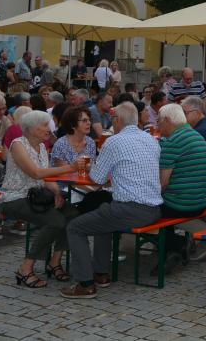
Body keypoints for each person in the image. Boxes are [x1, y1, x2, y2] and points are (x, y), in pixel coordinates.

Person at [61, 103, 161, 298]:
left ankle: (85, 283)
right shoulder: (151, 140)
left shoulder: (114, 142)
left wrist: (91, 168)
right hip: (154, 208)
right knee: (103, 215)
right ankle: (101, 273)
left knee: (75, 227)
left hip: (131, 210)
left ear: (117, 121)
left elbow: (97, 179)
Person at [0, 111, 81, 287]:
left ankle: (54, 262)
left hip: (37, 197)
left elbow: (44, 179)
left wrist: (57, 193)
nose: (49, 129)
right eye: (44, 125)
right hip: (15, 197)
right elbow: (35, 172)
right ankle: (26, 268)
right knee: (56, 221)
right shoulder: (18, 145)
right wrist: (70, 167)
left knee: (72, 214)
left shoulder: (42, 147)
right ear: (31, 128)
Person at [156, 103, 206, 272]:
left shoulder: (173, 141)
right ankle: (175, 247)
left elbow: (162, 184)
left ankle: (175, 247)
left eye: (159, 122)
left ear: (167, 120)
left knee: (148, 208)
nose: (157, 126)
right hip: (200, 202)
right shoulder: (196, 136)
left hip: (182, 205)